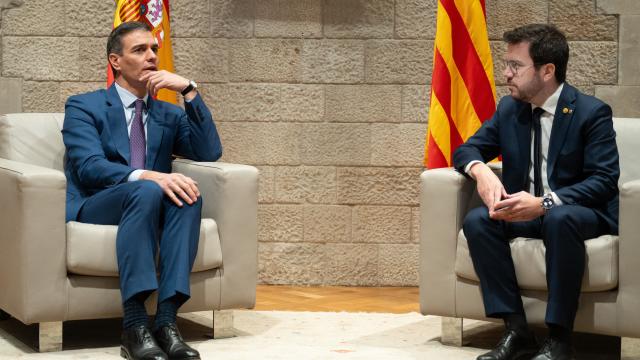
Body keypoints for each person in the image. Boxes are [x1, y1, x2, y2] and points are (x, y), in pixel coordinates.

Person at [454, 24, 619, 360]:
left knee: (559, 219)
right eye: (507, 64)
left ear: (547, 70)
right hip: (527, 212)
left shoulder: (590, 112)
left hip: (579, 213)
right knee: (478, 221)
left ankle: (560, 339)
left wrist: (544, 203)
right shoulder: (509, 109)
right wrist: (480, 169)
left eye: (515, 66)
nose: (506, 74)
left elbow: (604, 179)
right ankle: (516, 330)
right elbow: (466, 150)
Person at [62, 21, 222, 360]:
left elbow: (209, 152)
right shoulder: (83, 106)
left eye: (153, 49)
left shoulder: (168, 114)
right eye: (140, 50)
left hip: (147, 201)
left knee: (187, 193)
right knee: (150, 189)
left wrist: (190, 91)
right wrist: (150, 175)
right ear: (115, 61)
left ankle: (166, 323)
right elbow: (89, 167)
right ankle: (134, 325)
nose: (151, 56)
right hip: (96, 203)